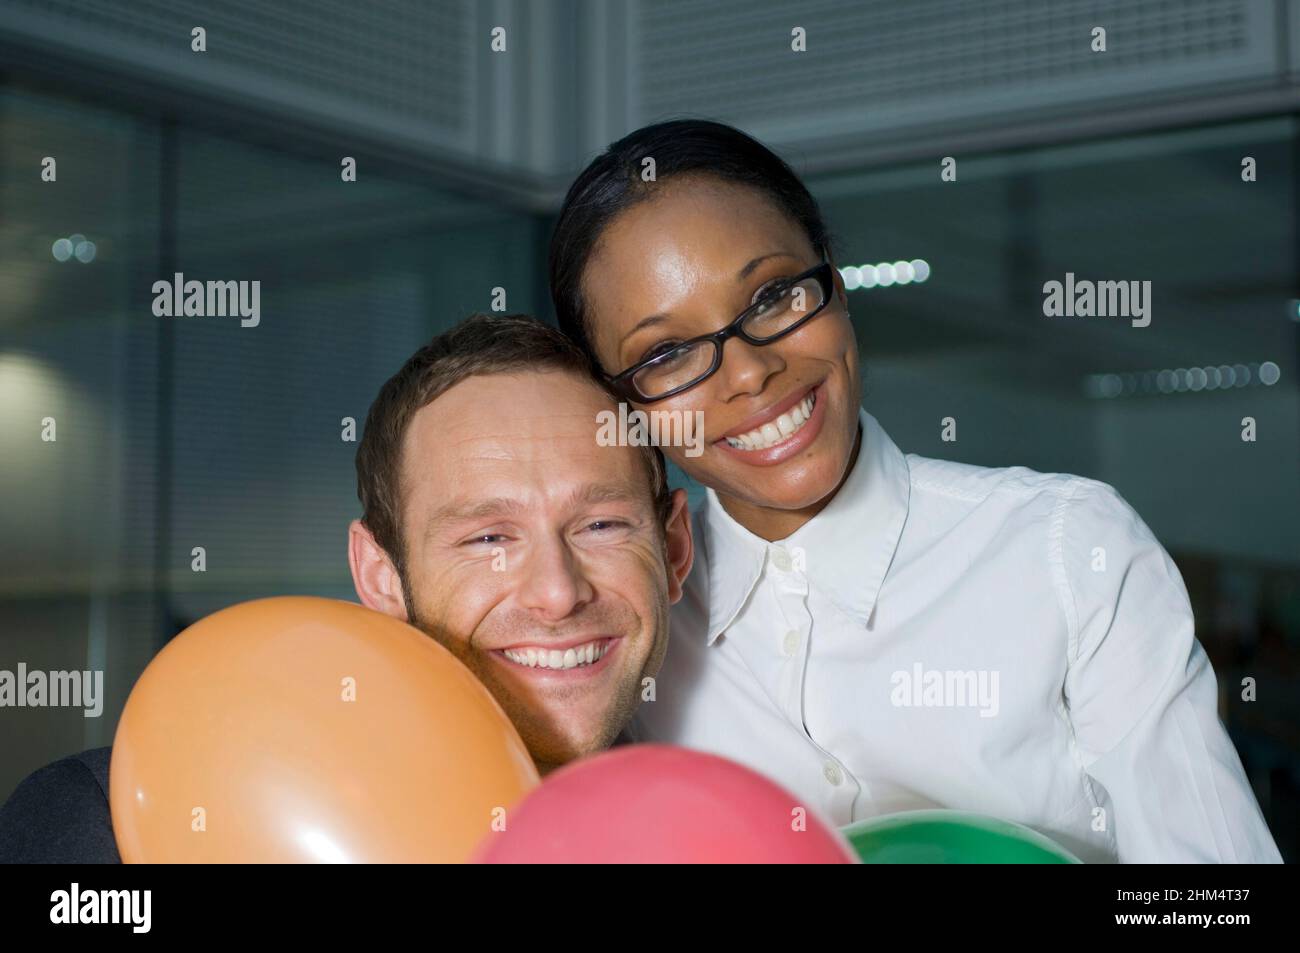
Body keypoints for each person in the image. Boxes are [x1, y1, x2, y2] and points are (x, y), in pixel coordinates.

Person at [548, 118, 1283, 863]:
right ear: (618, 408)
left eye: (772, 296)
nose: (748, 374)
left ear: (832, 279)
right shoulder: (630, 626)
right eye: (667, 353)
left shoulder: (1068, 550)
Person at [0, 313, 694, 861]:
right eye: (488, 538)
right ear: (380, 576)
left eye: (601, 523)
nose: (557, 591)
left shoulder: (710, 826)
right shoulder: (105, 819)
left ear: (672, 549)